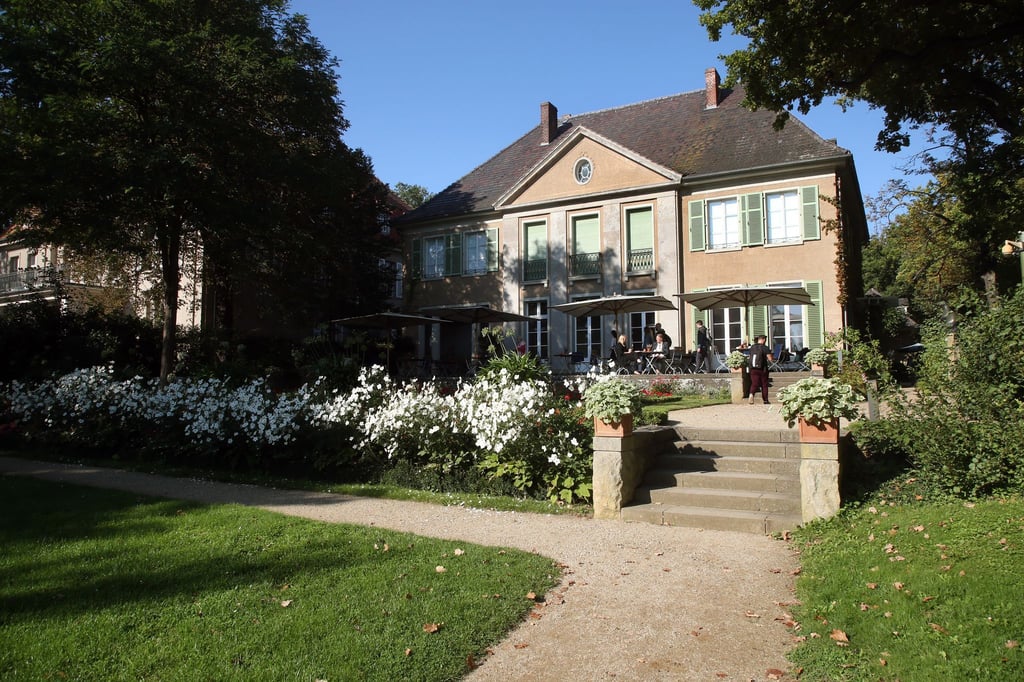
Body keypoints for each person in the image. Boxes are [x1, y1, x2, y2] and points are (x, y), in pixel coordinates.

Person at [747, 335, 773, 404]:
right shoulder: (765, 348)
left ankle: (751, 394)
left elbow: (750, 356)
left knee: (754, 383)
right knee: (764, 384)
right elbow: (770, 359)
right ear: (763, 340)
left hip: (752, 368)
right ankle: (765, 400)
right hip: (762, 368)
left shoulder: (752, 347)